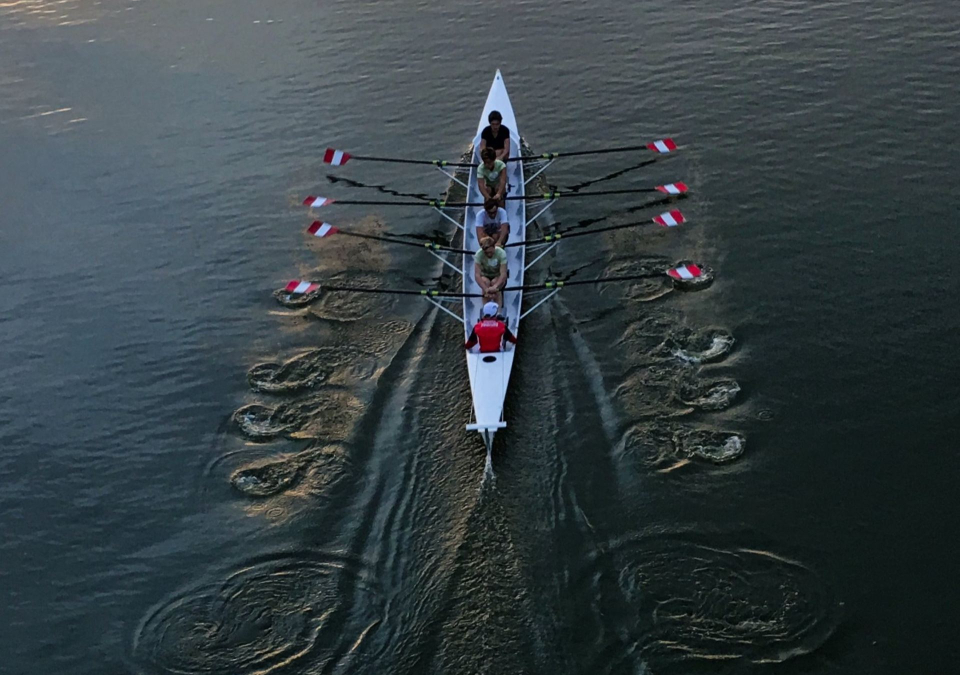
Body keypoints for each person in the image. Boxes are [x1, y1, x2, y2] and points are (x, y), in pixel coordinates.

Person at [474, 236, 508, 308]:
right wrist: (485, 289)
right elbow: (477, 275)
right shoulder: (478, 254)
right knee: (485, 282)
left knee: (494, 283)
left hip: (497, 276)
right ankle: (486, 310)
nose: (489, 254)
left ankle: (498, 313)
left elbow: (503, 274)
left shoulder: (501, 253)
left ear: (494, 247)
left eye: (490, 252)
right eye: (486, 253)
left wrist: (495, 287)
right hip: (485, 276)